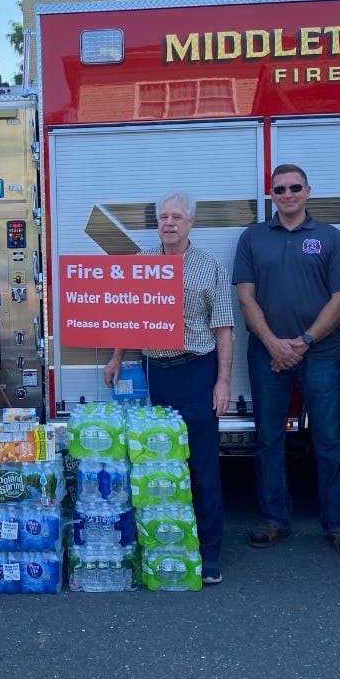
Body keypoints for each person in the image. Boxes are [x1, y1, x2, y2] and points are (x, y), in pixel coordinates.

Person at [102, 191, 234, 585]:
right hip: (156, 373)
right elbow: (127, 317)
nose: (169, 223)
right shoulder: (142, 265)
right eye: (163, 217)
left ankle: (209, 552)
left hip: (197, 371)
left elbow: (224, 329)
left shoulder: (209, 266)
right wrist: (115, 358)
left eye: (177, 216)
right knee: (157, 464)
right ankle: (164, 545)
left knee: (203, 468)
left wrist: (223, 382)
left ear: (191, 222)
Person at [232, 164, 340, 556]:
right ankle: (274, 519)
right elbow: (245, 296)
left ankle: (338, 524)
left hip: (321, 352)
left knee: (329, 437)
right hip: (267, 352)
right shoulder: (252, 238)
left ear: (308, 191)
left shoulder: (329, 237)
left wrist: (302, 341)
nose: (287, 194)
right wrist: (273, 343)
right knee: (269, 437)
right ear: (271, 194)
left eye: (294, 188)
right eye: (279, 189)